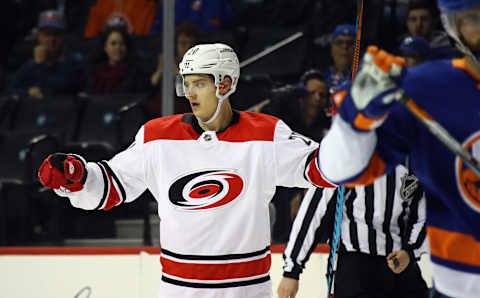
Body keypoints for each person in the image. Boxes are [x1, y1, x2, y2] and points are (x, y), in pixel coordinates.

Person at [37, 43, 335, 298]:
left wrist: (350, 130)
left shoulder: (267, 134)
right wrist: (78, 177)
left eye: (199, 83)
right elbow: (113, 186)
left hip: (246, 290)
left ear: (226, 84)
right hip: (180, 290)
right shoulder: (157, 137)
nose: (190, 93)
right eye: (186, 83)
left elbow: (324, 169)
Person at [319, 0, 480, 297]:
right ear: (452, 26)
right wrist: (353, 122)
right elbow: (337, 172)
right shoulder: (426, 89)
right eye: (473, 19)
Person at [277, 165, 429, 298]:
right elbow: (313, 213)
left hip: (400, 265)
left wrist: (409, 252)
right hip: (356, 268)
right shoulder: (344, 161)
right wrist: (292, 271)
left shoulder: (411, 161)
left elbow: (425, 215)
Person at [9, 10, 86, 98]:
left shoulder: (74, 64)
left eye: (56, 34)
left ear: (63, 37)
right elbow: (9, 92)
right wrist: (27, 93)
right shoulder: (29, 65)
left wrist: (41, 66)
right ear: (39, 37)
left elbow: (59, 88)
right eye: (47, 34)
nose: (52, 39)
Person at [85, 26, 149, 95]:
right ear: (105, 47)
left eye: (122, 44)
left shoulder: (135, 72)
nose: (118, 47)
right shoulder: (94, 71)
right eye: (113, 43)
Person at [323, 24, 355, 93]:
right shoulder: (322, 78)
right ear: (332, 48)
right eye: (339, 42)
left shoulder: (362, 79)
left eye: (350, 43)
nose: (345, 47)